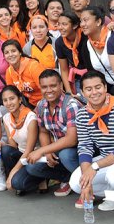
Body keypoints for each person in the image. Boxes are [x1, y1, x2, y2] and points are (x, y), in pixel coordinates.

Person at [71, 71, 114, 219]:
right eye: (88, 89)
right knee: (76, 183)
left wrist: (94, 168)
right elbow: (85, 146)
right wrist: (86, 178)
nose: (94, 92)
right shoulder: (82, 114)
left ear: (105, 88)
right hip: (106, 157)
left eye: (98, 87)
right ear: (82, 92)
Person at [11, 70, 80, 198]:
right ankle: (69, 178)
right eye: (44, 87)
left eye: (53, 86)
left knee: (66, 154)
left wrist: (42, 150)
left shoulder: (71, 105)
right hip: (58, 147)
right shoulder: (41, 105)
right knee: (31, 168)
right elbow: (43, 131)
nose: (49, 90)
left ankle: (84, 183)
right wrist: (47, 153)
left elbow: (72, 140)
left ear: (61, 86)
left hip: (79, 150)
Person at [0, 85, 38, 193]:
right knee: (5, 150)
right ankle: (21, 174)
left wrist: (12, 172)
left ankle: (40, 179)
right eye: (5, 100)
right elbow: (13, 146)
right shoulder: (7, 118)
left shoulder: (31, 117)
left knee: (17, 183)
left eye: (12, 98)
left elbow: (29, 150)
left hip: (33, 155)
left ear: (20, 99)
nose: (9, 103)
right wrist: (1, 143)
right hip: (21, 154)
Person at [79, 7, 114, 92]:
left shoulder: (113, 36)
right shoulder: (86, 45)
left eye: (85, 20)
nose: (82, 24)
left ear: (98, 22)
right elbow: (92, 74)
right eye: (81, 21)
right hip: (108, 91)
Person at [2, 39, 43, 108]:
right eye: (7, 53)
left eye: (13, 51)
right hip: (28, 104)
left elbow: (47, 89)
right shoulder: (9, 72)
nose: (10, 55)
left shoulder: (33, 66)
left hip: (44, 101)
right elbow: (12, 95)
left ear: (20, 52)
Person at [54, 11, 80, 94]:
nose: (60, 27)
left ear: (75, 25)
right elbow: (64, 69)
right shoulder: (59, 42)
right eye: (59, 24)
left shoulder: (85, 37)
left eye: (64, 24)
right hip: (76, 77)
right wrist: (69, 91)